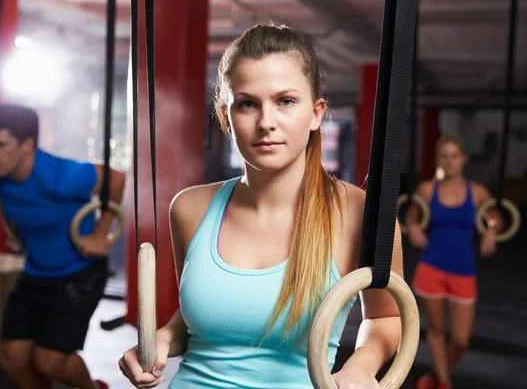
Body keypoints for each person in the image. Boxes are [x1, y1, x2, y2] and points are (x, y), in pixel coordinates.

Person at [119, 22, 405, 389]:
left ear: (316, 113)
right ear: (226, 117)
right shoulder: (190, 208)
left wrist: (360, 366)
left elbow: (386, 318)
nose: (266, 122)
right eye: (248, 104)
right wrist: (162, 339)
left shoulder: (360, 216)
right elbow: (200, 320)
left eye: (285, 101)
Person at [0, 104, 126, 389]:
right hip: (36, 274)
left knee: (49, 361)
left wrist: (100, 234)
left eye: (0, 144)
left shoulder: (61, 176)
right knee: (13, 360)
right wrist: (15, 232)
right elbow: (8, 202)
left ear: (27, 145)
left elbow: (116, 178)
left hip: (79, 275)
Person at [405, 134, 502, 389]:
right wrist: (413, 227)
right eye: (444, 156)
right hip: (431, 268)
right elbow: (412, 217)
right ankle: (445, 383)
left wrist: (491, 229)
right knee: (436, 332)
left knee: (460, 340)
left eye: (454, 156)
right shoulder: (426, 189)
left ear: (463, 159)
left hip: (463, 271)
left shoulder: (477, 192)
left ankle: (435, 378)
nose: (449, 162)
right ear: (438, 160)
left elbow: (496, 218)